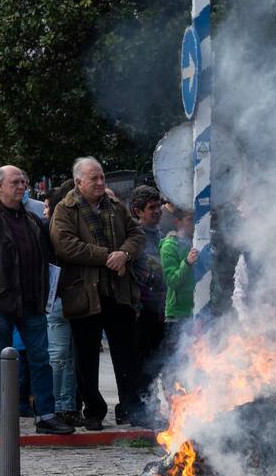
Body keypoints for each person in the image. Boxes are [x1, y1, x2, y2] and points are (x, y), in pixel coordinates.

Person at [0, 166, 73, 435]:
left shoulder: (33, 221)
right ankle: (3, 417)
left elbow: (48, 258)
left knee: (40, 360)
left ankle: (45, 416)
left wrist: (47, 291)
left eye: (23, 181)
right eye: (15, 182)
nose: (21, 186)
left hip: (32, 303)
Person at [50, 157, 144, 430]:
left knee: (126, 353)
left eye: (102, 177)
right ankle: (93, 410)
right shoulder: (65, 210)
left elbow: (136, 235)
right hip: (84, 294)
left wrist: (125, 253)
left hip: (119, 292)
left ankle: (130, 408)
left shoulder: (116, 207)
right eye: (95, 178)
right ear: (79, 182)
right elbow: (66, 246)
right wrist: (107, 257)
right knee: (86, 356)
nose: (101, 182)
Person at [44, 182, 80, 426]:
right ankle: (61, 404)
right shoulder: (51, 229)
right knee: (60, 355)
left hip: (73, 296)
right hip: (58, 297)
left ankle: (67, 404)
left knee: (69, 356)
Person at [130, 185, 166, 416]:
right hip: (142, 310)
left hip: (162, 307)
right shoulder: (134, 238)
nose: (157, 211)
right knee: (141, 362)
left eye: (159, 206)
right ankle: (138, 408)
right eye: (151, 208)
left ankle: (152, 406)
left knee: (158, 362)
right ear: (138, 211)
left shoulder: (163, 235)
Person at [159, 205, 198, 325]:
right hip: (178, 315)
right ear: (178, 222)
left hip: (201, 311)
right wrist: (187, 262)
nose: (195, 224)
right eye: (190, 219)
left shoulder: (202, 244)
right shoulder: (169, 246)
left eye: (197, 219)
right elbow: (171, 281)